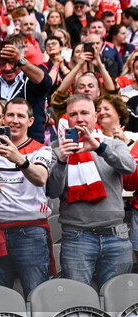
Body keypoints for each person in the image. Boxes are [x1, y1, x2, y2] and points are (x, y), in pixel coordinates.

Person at [47, 95, 136, 289]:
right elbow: (52, 191)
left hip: (115, 236)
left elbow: (129, 167)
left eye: (84, 113)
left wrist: (99, 147)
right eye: (73, 114)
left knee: (117, 300)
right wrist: (62, 160)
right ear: (67, 119)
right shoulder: (56, 150)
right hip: (77, 238)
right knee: (79, 300)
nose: (79, 119)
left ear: (95, 117)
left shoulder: (112, 143)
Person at [0, 98, 54, 298]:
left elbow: (40, 178)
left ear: (30, 121)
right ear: (3, 119)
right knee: (0, 298)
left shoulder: (42, 149)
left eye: (20, 116)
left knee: (36, 297)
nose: (15, 120)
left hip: (30, 232)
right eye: (10, 115)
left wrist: (18, 159)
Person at [0, 36, 52, 143]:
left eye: (12, 62)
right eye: (2, 64)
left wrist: (19, 60)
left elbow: (46, 82)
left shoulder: (31, 80)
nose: (7, 68)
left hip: (31, 148)